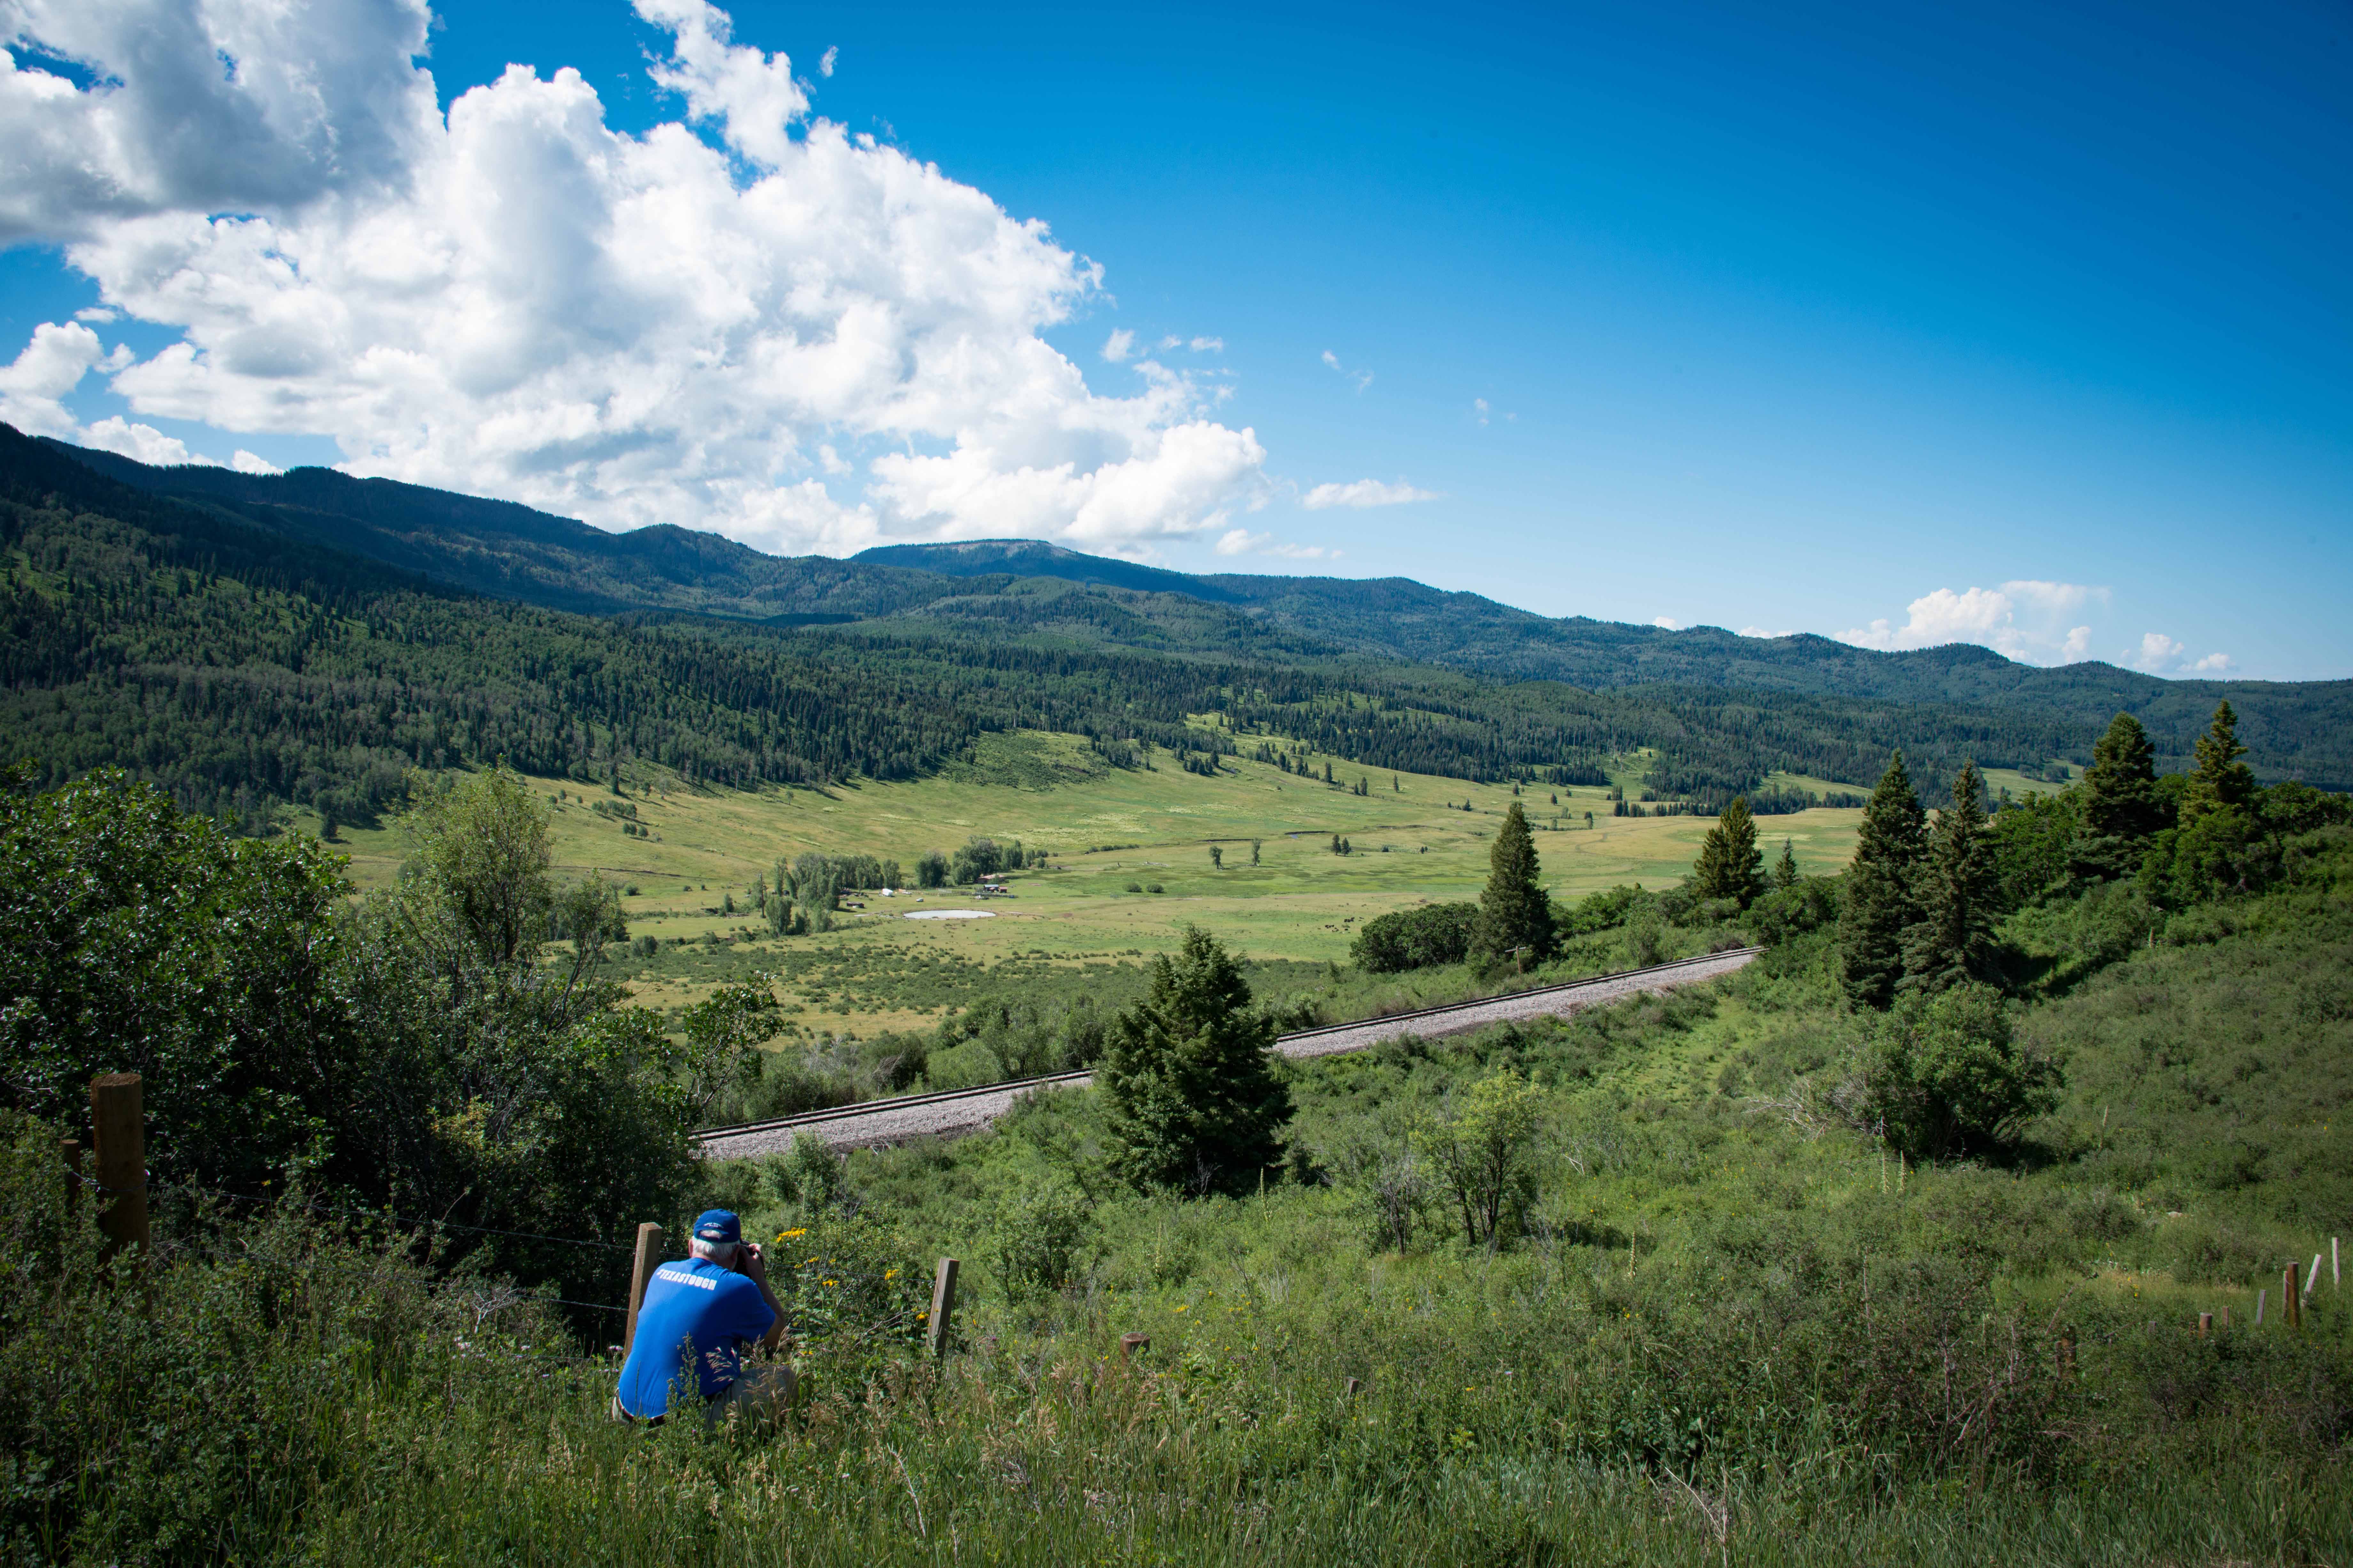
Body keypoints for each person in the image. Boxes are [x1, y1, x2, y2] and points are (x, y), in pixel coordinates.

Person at [614, 1209, 792, 1425]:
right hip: (675, 1426)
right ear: (737, 1254)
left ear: (691, 1247)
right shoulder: (739, 1288)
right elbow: (779, 1337)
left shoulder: (662, 1272)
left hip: (622, 1413)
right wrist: (759, 1278)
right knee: (785, 1378)